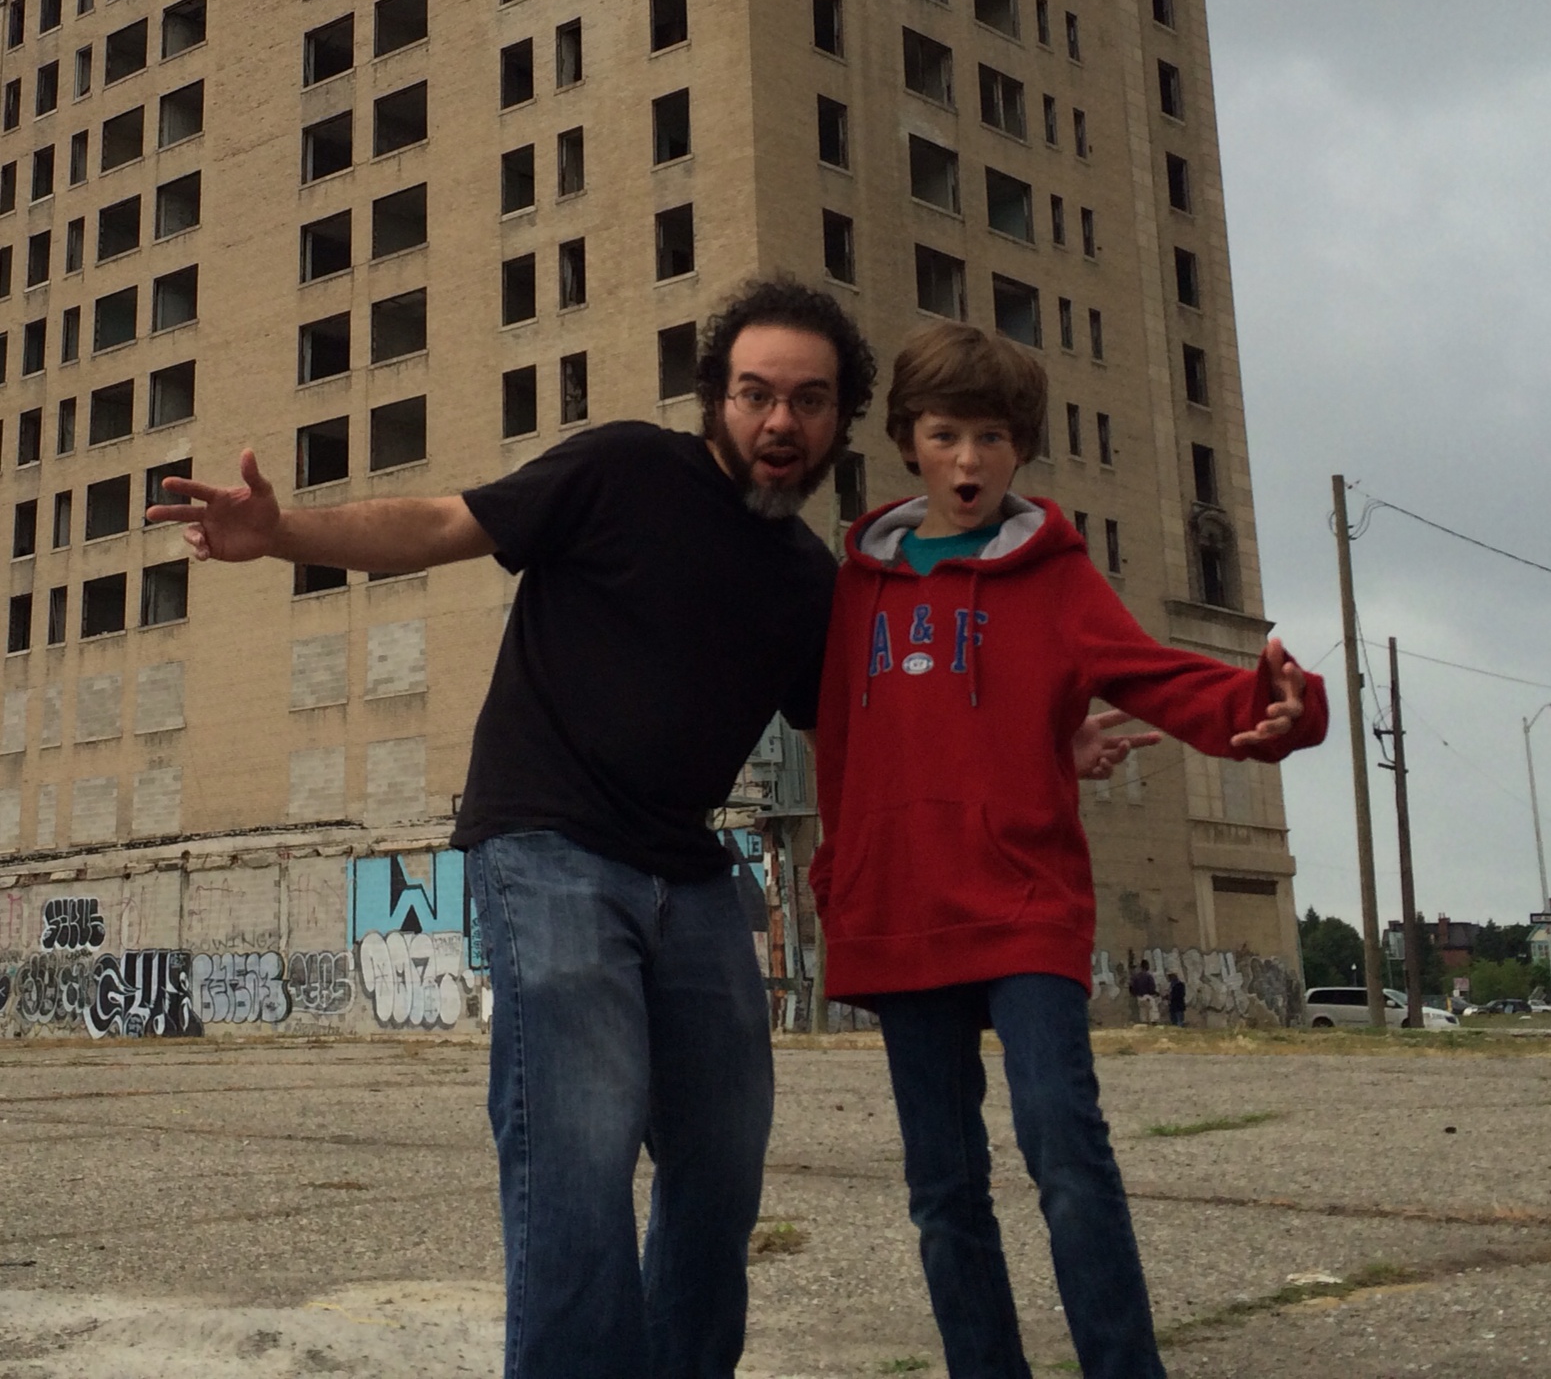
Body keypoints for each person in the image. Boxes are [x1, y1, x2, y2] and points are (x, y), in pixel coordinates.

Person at [148, 276, 877, 1379]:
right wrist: (284, 531)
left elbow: (866, 738)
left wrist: (1040, 739)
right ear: (715, 400)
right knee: (575, 1154)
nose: (780, 422)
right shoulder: (625, 468)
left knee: (722, 1171)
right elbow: (445, 519)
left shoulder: (809, 580)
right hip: (550, 841)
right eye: (755, 394)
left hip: (691, 868)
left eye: (809, 401)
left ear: (838, 421)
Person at [808, 322, 1328, 1379]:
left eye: (991, 438)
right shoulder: (857, 581)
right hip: (902, 911)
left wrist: (1276, 708)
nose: (967, 461)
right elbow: (842, 747)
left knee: (1066, 1152)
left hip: (1024, 906)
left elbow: (1157, 674)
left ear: (1022, 448)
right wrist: (838, 883)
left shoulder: (1052, 576)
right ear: (908, 440)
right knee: (942, 1188)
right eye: (946, 434)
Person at [1129, 959, 1161, 1025]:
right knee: (1152, 1011)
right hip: (1147, 996)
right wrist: (1156, 993)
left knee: (1143, 1012)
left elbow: (1132, 987)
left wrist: (1135, 994)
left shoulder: (1136, 977)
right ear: (1147, 966)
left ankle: (1144, 1025)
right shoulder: (1148, 976)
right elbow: (1151, 988)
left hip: (1139, 997)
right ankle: (1153, 1025)